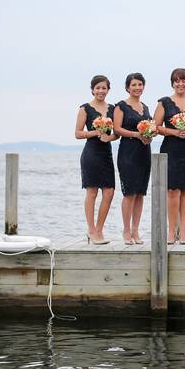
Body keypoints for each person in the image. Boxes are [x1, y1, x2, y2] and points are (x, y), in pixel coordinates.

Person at [154, 68, 185, 245]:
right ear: (172, 83)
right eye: (177, 81)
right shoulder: (164, 102)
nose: (180, 84)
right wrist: (174, 132)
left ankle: (183, 231)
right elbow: (156, 126)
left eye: (184, 81)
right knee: (172, 190)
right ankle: (171, 230)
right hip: (171, 148)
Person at [74, 74, 116, 245]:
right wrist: (94, 133)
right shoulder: (85, 109)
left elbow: (117, 134)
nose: (101, 91)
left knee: (109, 191)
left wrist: (110, 138)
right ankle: (91, 230)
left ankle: (99, 228)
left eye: (104, 88)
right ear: (92, 89)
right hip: (91, 153)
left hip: (106, 153)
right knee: (92, 191)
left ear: (108, 90)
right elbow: (77, 133)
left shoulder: (113, 109)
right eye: (97, 88)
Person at [112, 72, 153, 245]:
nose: (137, 88)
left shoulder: (145, 107)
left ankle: (136, 230)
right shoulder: (121, 106)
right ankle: (126, 230)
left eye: (140, 84)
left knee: (140, 193)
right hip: (128, 151)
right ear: (128, 87)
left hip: (144, 151)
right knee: (129, 192)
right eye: (134, 85)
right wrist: (137, 134)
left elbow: (150, 127)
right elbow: (117, 129)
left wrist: (149, 135)